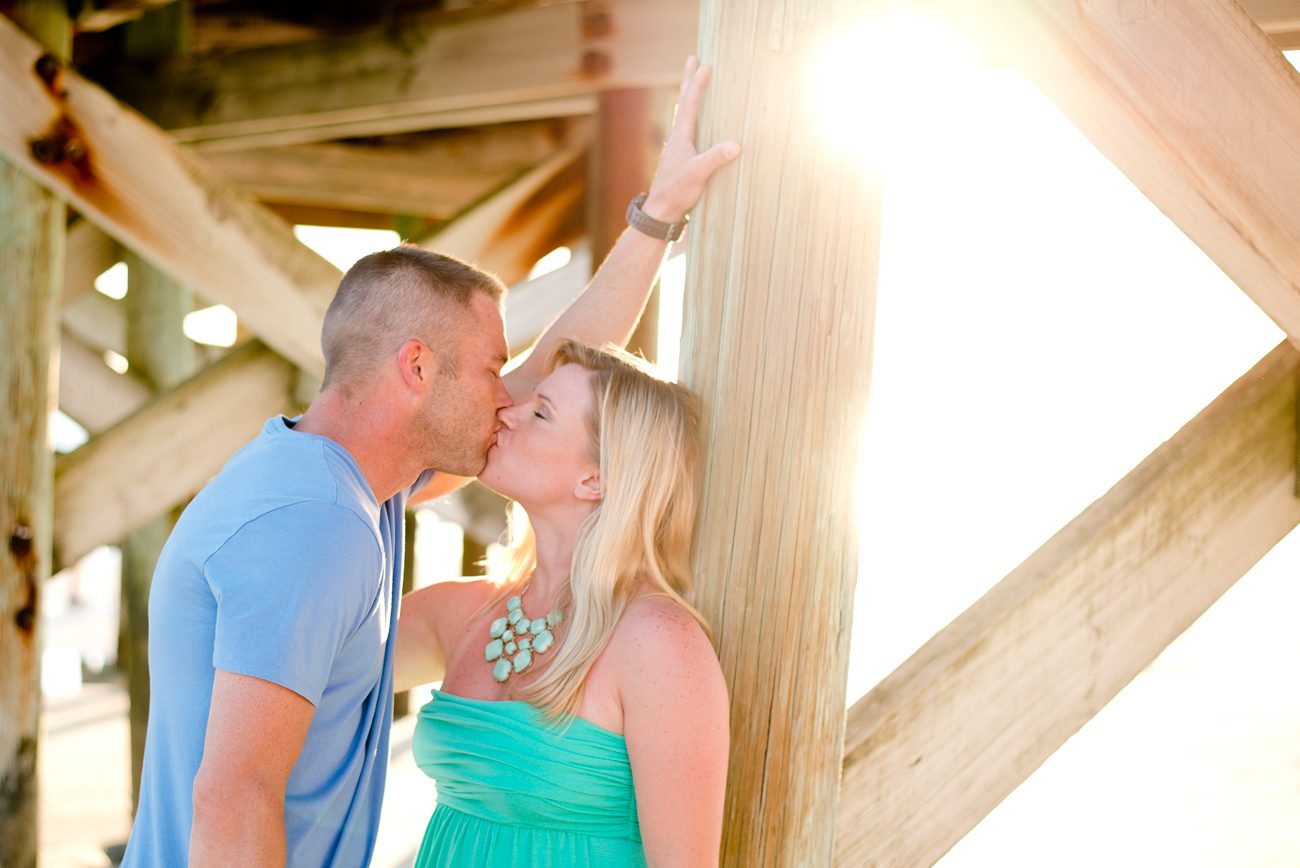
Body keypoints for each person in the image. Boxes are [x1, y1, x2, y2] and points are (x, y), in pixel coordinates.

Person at [120, 56, 738, 867]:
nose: (508, 396)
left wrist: (655, 219)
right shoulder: (318, 524)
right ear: (417, 370)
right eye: (491, 370)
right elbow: (232, 799)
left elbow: (562, 364)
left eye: (531, 401)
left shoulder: (348, 489)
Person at [396, 339, 728, 867]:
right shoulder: (462, 613)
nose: (507, 410)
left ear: (594, 479)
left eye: (540, 412)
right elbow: (307, 655)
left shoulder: (657, 642)